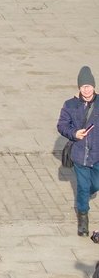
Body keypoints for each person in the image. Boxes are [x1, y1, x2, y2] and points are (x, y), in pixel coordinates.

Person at [57, 66, 98, 237]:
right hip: (80, 155)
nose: (86, 89)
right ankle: (83, 218)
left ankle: (85, 197)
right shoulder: (70, 105)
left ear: (94, 86)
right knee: (82, 187)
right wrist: (74, 133)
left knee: (94, 185)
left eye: (89, 86)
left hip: (97, 155)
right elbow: (62, 125)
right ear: (79, 88)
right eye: (83, 86)